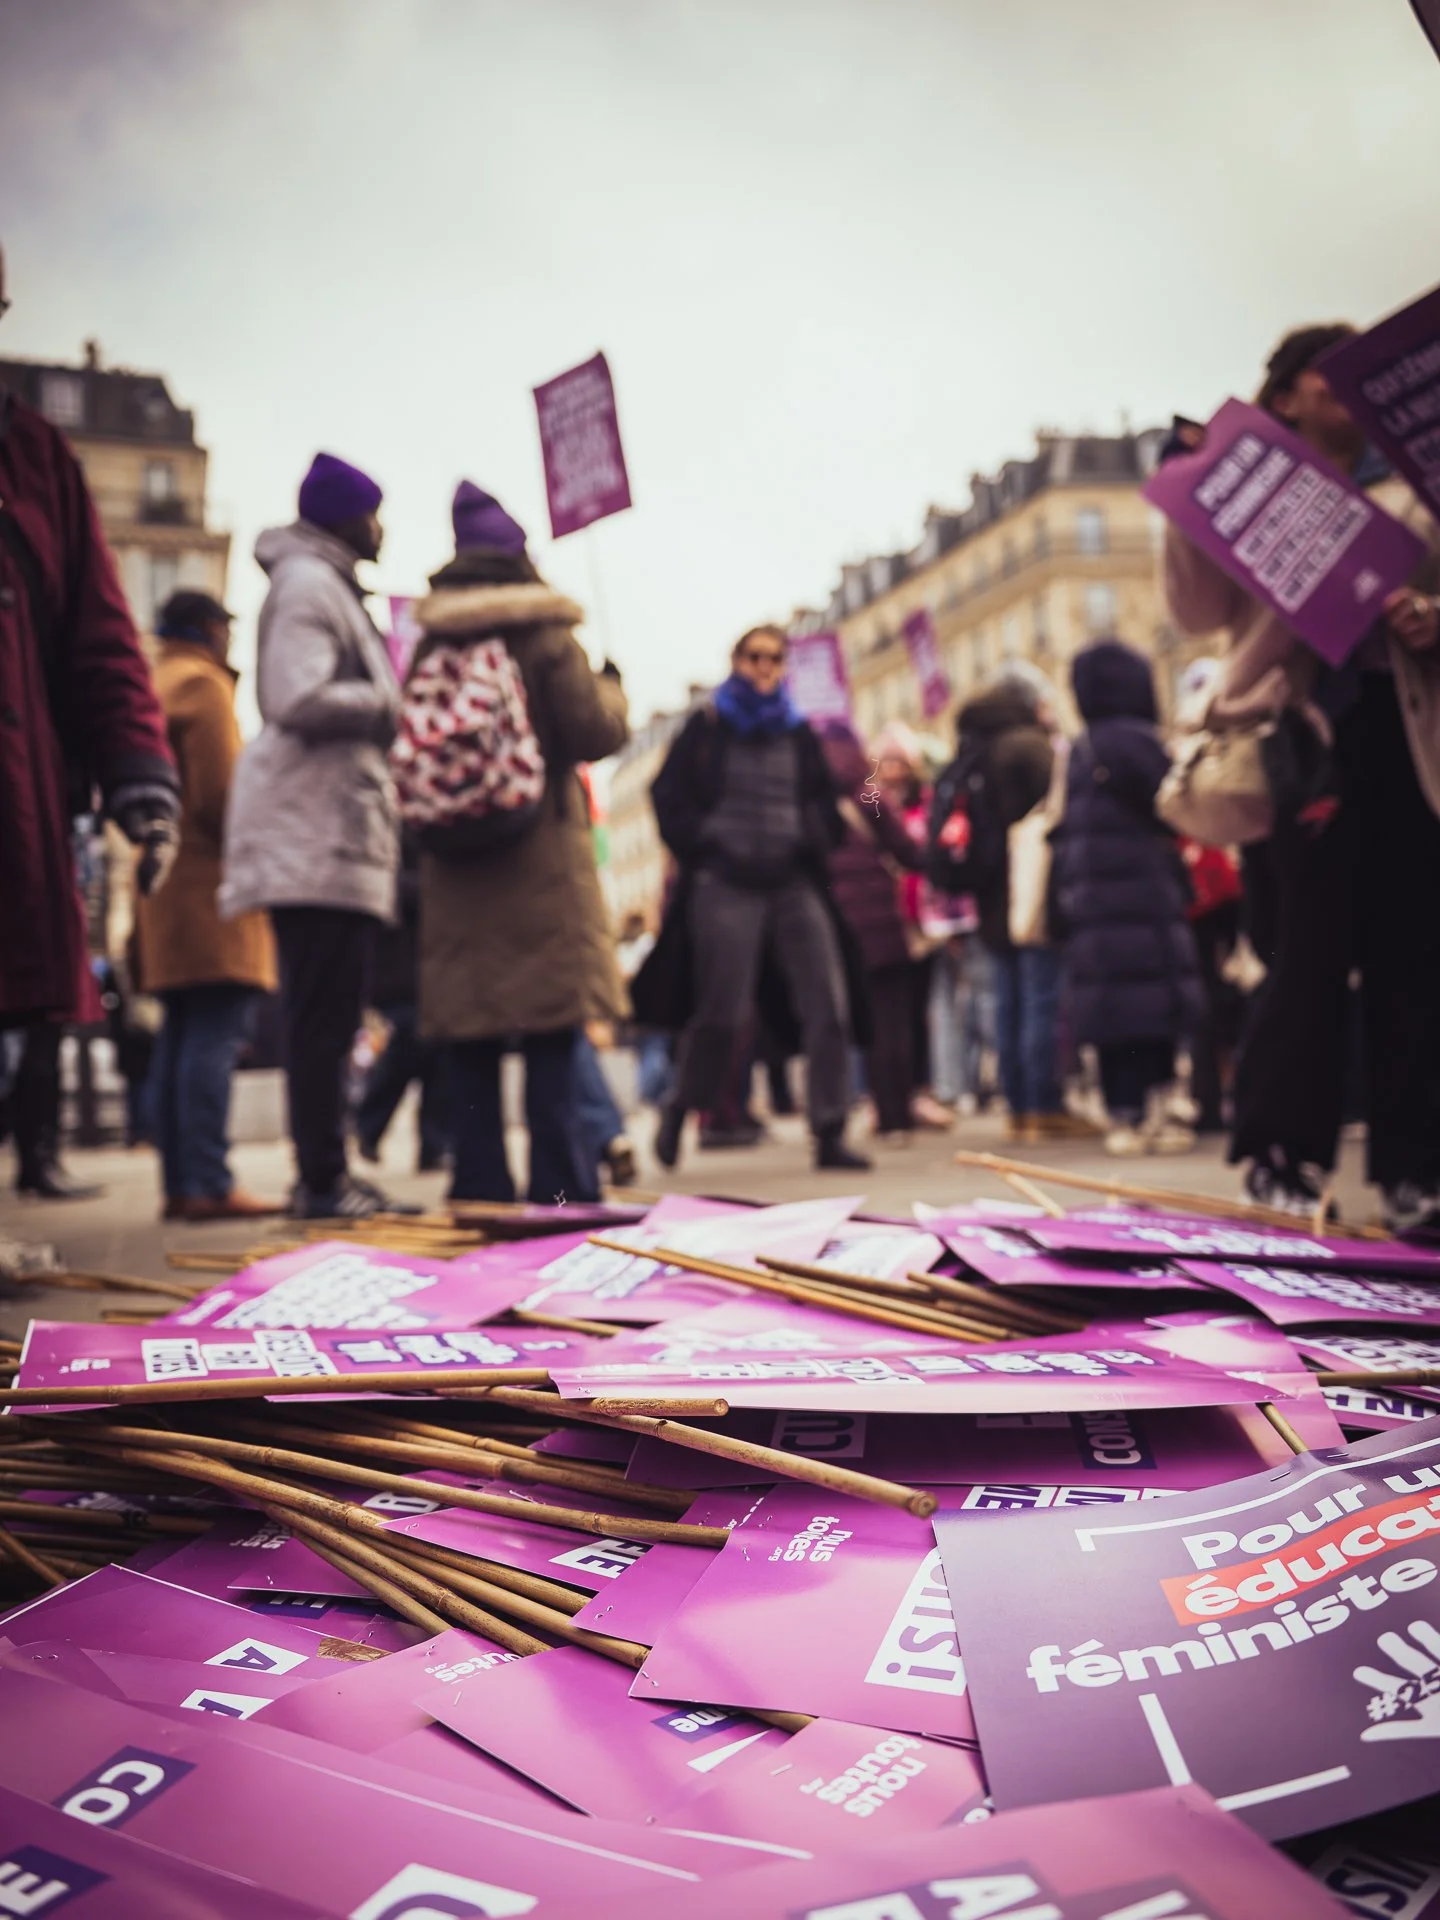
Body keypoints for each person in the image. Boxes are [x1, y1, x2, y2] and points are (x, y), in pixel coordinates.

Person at [1164, 324, 1440, 1228]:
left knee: (1412, 953)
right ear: (1286, 397)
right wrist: (1189, 499)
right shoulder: (1256, 494)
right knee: (1306, 952)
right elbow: (1198, 610)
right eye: (1335, 376)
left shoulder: (1409, 486)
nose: (1353, 393)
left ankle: (1416, 1169)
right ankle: (1281, 1152)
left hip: (1405, 741)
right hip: (1300, 744)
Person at [0, 242, 180, 1198]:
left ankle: (33, 1155)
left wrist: (138, 779)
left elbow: (101, 639)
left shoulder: (37, 456)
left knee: (27, 1004)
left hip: (23, 795)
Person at [411, 481, 629, 1203]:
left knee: (471, 1040)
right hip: (541, 864)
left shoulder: (433, 640)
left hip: (457, 868)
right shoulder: (543, 631)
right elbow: (592, 731)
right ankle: (560, 1194)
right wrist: (611, 686)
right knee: (550, 1036)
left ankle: (479, 1192)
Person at [219, 452, 406, 1220]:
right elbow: (293, 694)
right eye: (372, 511)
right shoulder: (309, 584)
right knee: (322, 1017)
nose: (381, 526)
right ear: (343, 516)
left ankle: (326, 1172)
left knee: (329, 1014)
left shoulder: (322, 584)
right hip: (314, 834)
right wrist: (386, 701)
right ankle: (322, 1179)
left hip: (327, 831)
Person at [637, 624, 870, 1172]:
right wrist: (707, 841)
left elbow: (831, 800)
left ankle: (830, 1129)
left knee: (828, 1007)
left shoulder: (800, 733)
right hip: (726, 884)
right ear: (736, 660)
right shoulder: (708, 725)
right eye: (754, 657)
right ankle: (680, 1105)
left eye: (775, 658)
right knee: (721, 1010)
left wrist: (814, 835)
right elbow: (665, 795)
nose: (765, 667)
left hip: (792, 882)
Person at [133, 591, 279, 1219]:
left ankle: (180, 1182)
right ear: (211, 629)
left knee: (181, 1035)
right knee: (212, 1037)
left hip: (163, 895)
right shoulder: (204, 686)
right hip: (212, 891)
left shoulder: (153, 682)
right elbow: (227, 799)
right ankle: (209, 1182)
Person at [1050, 640, 1203, 1156]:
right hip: (1142, 891)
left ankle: (1124, 1113)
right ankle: (1156, 1112)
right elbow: (1172, 802)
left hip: (1095, 902)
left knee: (1115, 1010)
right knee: (1152, 1004)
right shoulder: (1137, 741)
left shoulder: (1082, 747)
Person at [933, 667, 1082, 1143]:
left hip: (988, 895)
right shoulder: (1025, 745)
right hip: (1031, 886)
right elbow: (1061, 810)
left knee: (1008, 1001)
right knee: (1040, 997)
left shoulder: (972, 749)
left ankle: (1018, 1106)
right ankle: (1044, 1104)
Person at [818, 720, 927, 1141]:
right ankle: (899, 1114)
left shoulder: (814, 802)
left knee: (859, 1024)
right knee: (894, 1020)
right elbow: (904, 847)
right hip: (882, 921)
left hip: (842, 928)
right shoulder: (870, 795)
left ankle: (876, 1109)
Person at [354, 830, 451, 1174]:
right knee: (409, 1043)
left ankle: (434, 1145)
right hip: (399, 964)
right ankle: (367, 1125)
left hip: (431, 963)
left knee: (438, 1053)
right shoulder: (396, 829)